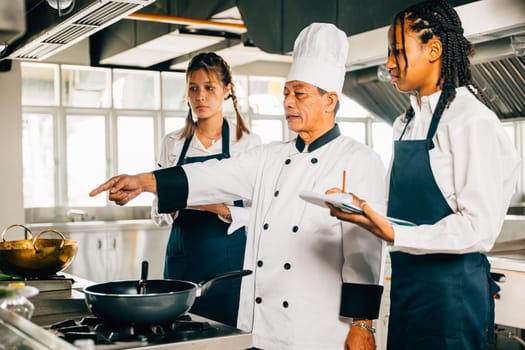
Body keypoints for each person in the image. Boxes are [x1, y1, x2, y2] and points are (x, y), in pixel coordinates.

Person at [90, 23, 387, 350]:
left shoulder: (359, 160)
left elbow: (364, 254)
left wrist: (363, 324)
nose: (287, 102)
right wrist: (143, 182)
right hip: (259, 327)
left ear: (329, 100)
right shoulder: (270, 156)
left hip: (316, 330)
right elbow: (212, 175)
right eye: (286, 92)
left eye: (298, 93)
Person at [326, 1, 521, 349]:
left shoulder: (472, 121)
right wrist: (364, 209)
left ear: (434, 50)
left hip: (453, 298)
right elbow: (401, 211)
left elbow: (479, 229)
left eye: (398, 51)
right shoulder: (405, 123)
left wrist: (394, 232)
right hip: (406, 291)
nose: (388, 63)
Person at [151, 52, 262, 327]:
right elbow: (157, 206)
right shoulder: (173, 142)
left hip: (229, 261)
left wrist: (217, 208)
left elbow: (259, 211)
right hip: (182, 257)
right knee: (180, 333)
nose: (200, 97)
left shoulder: (247, 143)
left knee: (226, 335)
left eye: (209, 88)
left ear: (227, 90)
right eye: (194, 88)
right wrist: (175, 206)